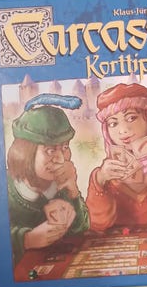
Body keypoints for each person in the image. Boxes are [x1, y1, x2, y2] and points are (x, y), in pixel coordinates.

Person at [7, 94, 90, 265]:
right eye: (50, 151)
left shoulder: (61, 185)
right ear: (25, 154)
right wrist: (26, 239)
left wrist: (73, 193)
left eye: (65, 147)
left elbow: (80, 230)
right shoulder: (5, 189)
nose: (61, 159)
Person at [86, 82, 147, 232]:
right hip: (119, 242)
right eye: (113, 124)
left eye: (131, 118)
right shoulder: (108, 172)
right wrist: (100, 181)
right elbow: (98, 224)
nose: (123, 130)